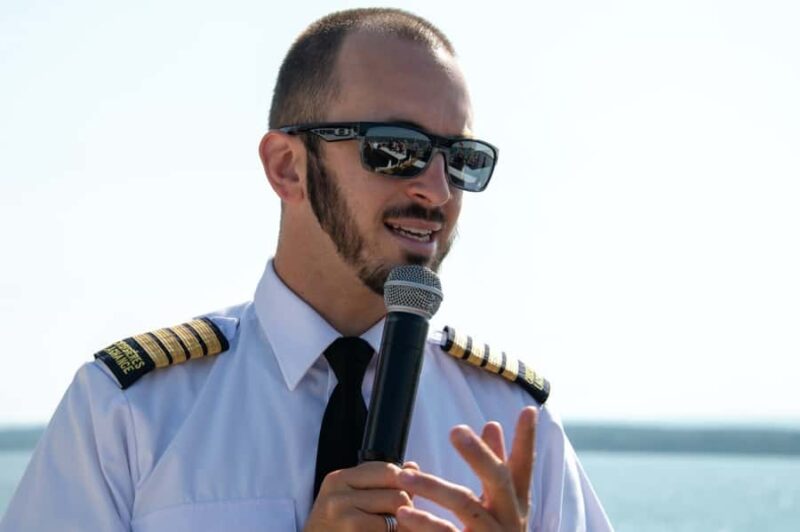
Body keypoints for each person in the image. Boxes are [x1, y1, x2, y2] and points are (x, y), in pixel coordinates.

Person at [0, 8, 612, 532]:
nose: (437, 189)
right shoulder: (129, 413)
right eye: (395, 149)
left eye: (462, 160)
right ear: (287, 166)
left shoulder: (514, 428)